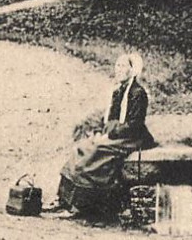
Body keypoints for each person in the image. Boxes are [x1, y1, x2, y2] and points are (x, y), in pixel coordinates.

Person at [55, 52, 156, 219]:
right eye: (117, 65)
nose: (118, 69)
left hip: (132, 137)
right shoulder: (118, 92)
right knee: (82, 147)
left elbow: (134, 124)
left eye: (123, 66)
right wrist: (102, 131)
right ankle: (64, 200)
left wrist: (111, 134)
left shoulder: (138, 93)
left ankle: (81, 205)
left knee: (96, 150)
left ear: (132, 71)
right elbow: (110, 119)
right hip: (116, 133)